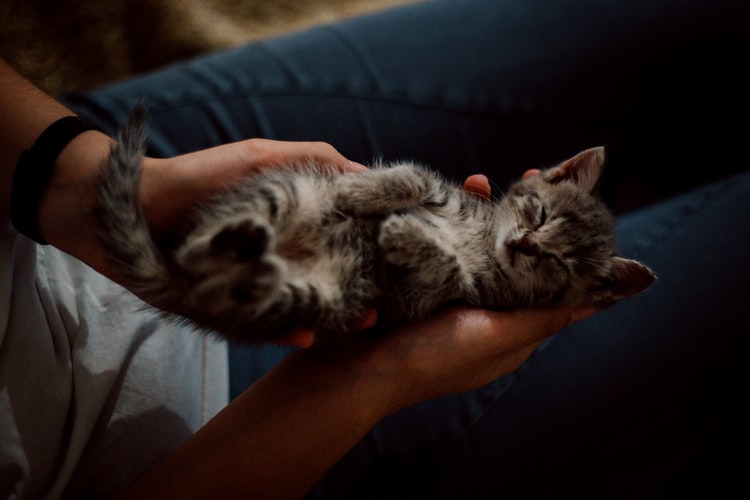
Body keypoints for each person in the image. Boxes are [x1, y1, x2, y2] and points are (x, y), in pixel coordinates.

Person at [1, 0, 748, 498]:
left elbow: (398, 212)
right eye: (537, 216)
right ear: (552, 178)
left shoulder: (497, 228)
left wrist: (77, 180)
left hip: (71, 175)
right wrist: (376, 378)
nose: (522, 236)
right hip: (220, 422)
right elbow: (395, 233)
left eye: (549, 256)